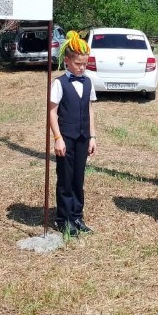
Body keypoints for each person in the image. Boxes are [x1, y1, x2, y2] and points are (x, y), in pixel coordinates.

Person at [48, 31, 97, 236]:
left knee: (78, 178)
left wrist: (92, 136)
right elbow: (52, 112)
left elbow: (89, 109)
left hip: (82, 138)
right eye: (78, 64)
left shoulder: (88, 82)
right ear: (67, 61)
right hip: (66, 138)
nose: (82, 68)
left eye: (85, 64)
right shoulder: (59, 83)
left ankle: (77, 216)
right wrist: (57, 138)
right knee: (65, 179)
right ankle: (64, 218)